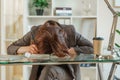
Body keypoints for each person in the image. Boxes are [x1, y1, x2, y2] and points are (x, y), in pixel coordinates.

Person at [7, 20, 93, 80]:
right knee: (47, 70)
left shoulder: (70, 32)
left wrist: (76, 50)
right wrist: (25, 48)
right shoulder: (34, 33)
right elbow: (10, 48)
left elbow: (93, 48)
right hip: (40, 72)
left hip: (67, 72)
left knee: (49, 69)